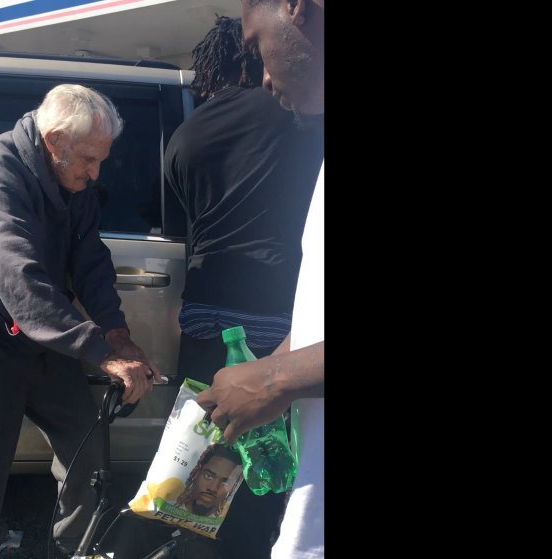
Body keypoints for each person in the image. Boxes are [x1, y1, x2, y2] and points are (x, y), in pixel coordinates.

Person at [0, 84, 163, 559]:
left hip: (43, 343)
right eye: (88, 159)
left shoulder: (72, 181)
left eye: (101, 159)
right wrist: (101, 353)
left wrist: (116, 334)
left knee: (88, 453)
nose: (95, 172)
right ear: (54, 141)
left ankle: (71, 552)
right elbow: (20, 281)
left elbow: (90, 259)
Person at [165, 15, 324, 559]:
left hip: (206, 313)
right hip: (279, 317)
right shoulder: (298, 116)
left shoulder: (187, 134)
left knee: (198, 462)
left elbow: (182, 227)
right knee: (262, 472)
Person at [173, 444, 243, 518]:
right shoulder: (168, 503)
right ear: (196, 473)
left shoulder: (229, 520)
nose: (212, 488)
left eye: (226, 482)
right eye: (208, 476)